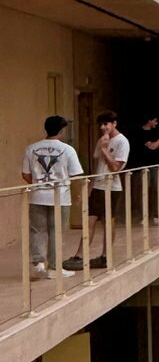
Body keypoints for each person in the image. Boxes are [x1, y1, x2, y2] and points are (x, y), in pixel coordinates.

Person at [23, 116, 85, 279]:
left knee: (37, 230)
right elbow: (76, 175)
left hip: (37, 196)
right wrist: (78, 195)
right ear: (62, 130)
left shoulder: (31, 148)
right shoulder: (68, 150)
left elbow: (26, 174)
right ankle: (54, 268)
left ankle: (38, 263)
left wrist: (38, 184)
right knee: (56, 231)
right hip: (60, 197)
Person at [65, 112, 128, 272]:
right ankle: (80, 255)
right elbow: (97, 164)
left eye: (106, 124)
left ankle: (106, 256)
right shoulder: (102, 140)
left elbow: (116, 167)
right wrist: (91, 186)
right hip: (98, 185)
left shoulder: (122, 141)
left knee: (108, 221)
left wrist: (105, 150)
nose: (102, 127)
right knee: (89, 219)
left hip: (111, 187)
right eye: (101, 124)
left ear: (114, 124)